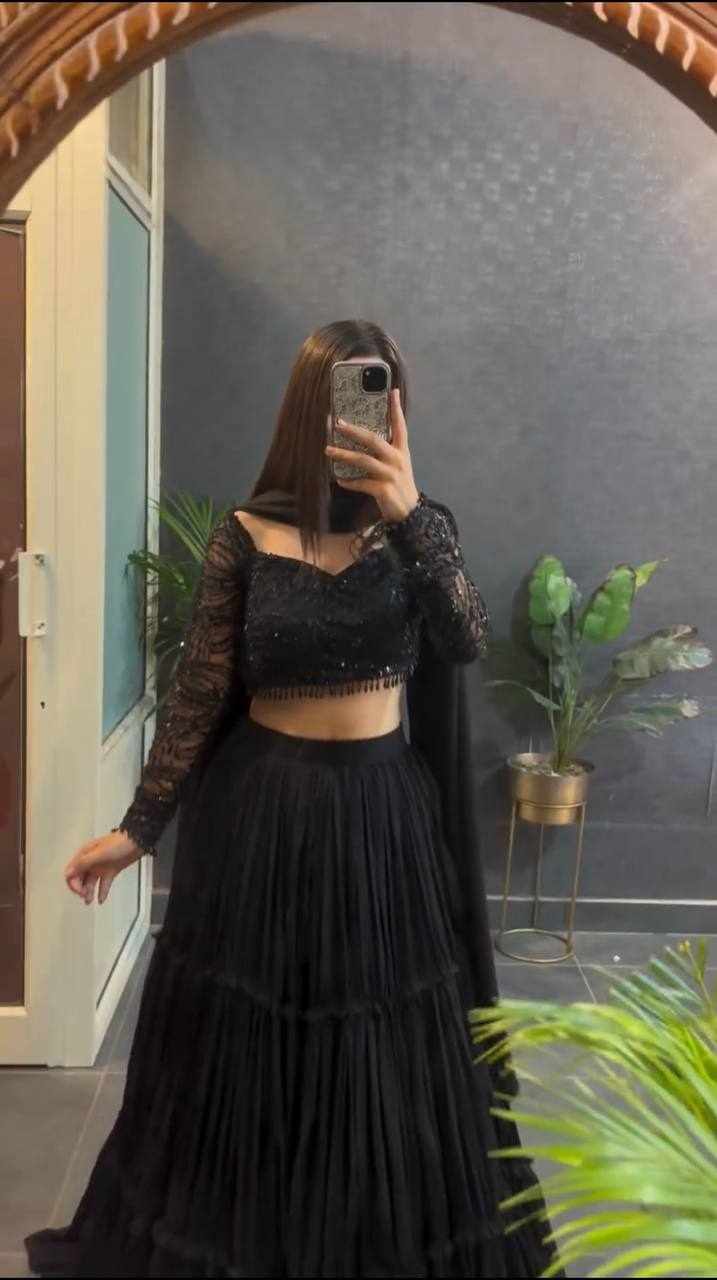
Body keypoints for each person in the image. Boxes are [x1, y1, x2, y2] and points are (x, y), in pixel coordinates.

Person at [24, 320, 565, 1278]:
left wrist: (407, 514)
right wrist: (137, 830)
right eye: (343, 399)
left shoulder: (421, 529)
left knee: (380, 1037)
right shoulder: (245, 534)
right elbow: (200, 691)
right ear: (306, 412)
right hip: (264, 817)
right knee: (248, 1045)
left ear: (397, 411)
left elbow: (464, 639)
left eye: (379, 397)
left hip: (381, 819)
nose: (361, 419)